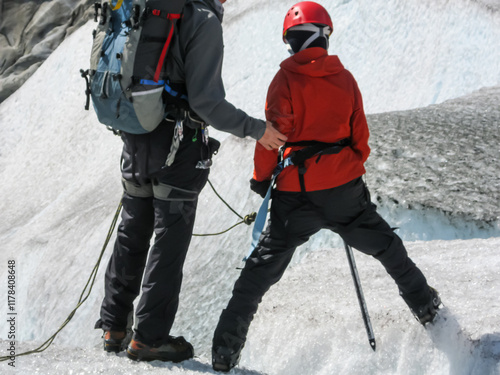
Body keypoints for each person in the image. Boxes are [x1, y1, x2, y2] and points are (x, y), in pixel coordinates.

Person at [211, 1, 441, 372]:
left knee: (258, 274)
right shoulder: (346, 80)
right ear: (324, 37)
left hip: (294, 196)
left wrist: (260, 180)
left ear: (294, 42)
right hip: (344, 192)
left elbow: (271, 139)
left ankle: (224, 353)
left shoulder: (283, 80)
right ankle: (429, 310)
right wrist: (343, 168)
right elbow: (361, 141)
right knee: (388, 248)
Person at [94, 0, 287, 363]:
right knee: (170, 238)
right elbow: (207, 101)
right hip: (178, 144)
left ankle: (114, 326)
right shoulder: (202, 20)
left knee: (132, 228)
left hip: (136, 135)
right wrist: (257, 130)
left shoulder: (151, 10)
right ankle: (149, 338)